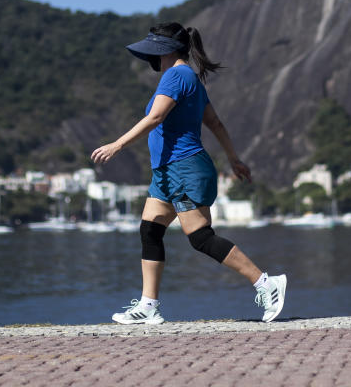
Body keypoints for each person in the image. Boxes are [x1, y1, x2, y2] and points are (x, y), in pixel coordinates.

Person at [91, 22, 287, 324]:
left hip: (184, 169)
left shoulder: (175, 76)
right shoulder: (190, 79)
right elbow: (216, 124)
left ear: (165, 50)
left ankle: (266, 283)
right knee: (150, 229)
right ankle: (148, 305)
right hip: (168, 172)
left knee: (201, 238)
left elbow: (156, 116)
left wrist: (117, 145)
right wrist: (234, 159)